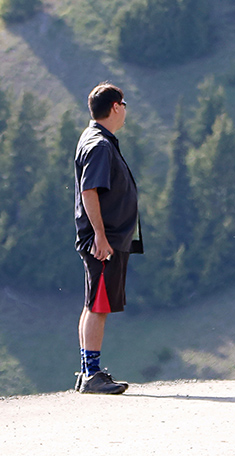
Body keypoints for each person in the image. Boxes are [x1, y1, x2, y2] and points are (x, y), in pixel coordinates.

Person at [73, 82, 143, 394]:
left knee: (94, 303)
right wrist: (100, 235)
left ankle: (89, 370)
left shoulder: (99, 140)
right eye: (123, 103)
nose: (126, 109)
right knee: (98, 304)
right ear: (115, 106)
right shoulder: (99, 145)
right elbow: (90, 191)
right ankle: (92, 374)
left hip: (109, 237)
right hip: (104, 241)